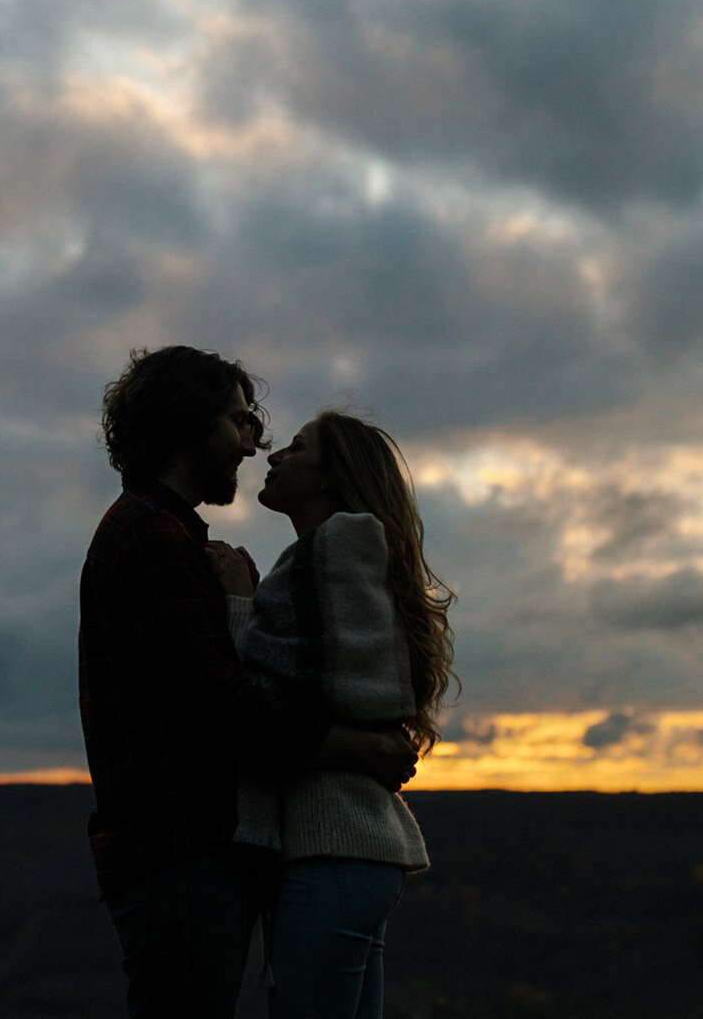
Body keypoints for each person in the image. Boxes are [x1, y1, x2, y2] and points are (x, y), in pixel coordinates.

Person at [79, 348, 418, 1019]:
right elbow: (220, 703)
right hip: (180, 851)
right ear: (188, 423)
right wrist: (360, 749)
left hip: (193, 852)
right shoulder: (152, 539)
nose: (252, 443)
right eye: (239, 422)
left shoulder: (170, 537)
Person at [209, 410, 457, 1019]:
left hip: (333, 848)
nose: (273, 457)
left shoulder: (341, 542)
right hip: (353, 853)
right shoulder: (324, 559)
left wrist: (238, 604)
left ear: (330, 475)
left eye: (295, 449)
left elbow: (281, 690)